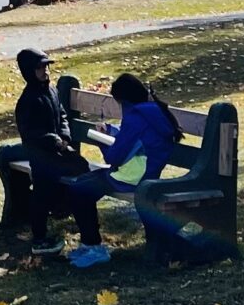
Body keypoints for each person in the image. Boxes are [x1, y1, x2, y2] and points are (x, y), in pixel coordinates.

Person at [82, 73, 224, 265]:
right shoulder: (154, 112)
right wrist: (112, 131)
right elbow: (137, 141)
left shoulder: (135, 117)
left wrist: (100, 141)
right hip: (147, 175)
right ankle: (167, 246)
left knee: (80, 189)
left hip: (132, 178)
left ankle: (93, 247)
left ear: (124, 100)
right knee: (85, 184)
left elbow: (114, 157)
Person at [2, 47, 111, 267]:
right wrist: (53, 140)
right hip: (41, 157)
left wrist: (64, 136)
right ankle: (40, 237)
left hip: (58, 152)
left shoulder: (51, 91)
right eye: (40, 68)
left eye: (46, 66)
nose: (45, 71)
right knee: (42, 196)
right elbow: (30, 133)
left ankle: (83, 228)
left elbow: (61, 115)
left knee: (80, 174)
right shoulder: (28, 99)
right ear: (28, 72)